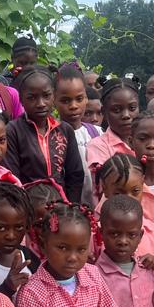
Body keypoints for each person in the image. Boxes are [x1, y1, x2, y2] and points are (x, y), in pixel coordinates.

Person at [4, 67, 84, 202]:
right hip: (28, 206)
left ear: (54, 96)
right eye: (32, 98)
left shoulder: (64, 130)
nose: (40, 104)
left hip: (61, 205)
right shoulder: (13, 131)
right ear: (22, 100)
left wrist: (71, 207)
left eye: (46, 96)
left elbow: (75, 174)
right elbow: (11, 177)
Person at [93, 153, 154, 268]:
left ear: (142, 183)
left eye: (135, 191)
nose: (127, 198)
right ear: (104, 188)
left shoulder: (153, 233)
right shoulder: (95, 235)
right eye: (118, 193)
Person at [54, 64, 97, 204]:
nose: (73, 106)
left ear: (86, 99)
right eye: (65, 100)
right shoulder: (51, 136)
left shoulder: (97, 133)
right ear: (54, 101)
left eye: (79, 99)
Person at [86, 78, 139, 174]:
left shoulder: (148, 140)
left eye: (132, 108)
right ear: (104, 112)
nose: (126, 115)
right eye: (117, 110)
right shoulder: (98, 146)